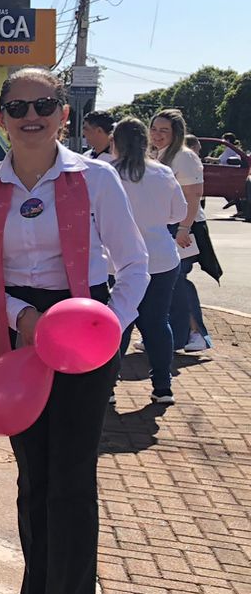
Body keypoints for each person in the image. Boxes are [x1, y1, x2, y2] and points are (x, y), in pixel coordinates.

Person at [0, 70, 148, 594]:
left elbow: (135, 264)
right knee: (32, 477)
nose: (30, 115)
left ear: (64, 113)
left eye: (44, 104)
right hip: (18, 334)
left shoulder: (96, 178)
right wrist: (22, 319)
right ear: (2, 116)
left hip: (85, 332)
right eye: (18, 106)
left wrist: (105, 329)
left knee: (70, 480)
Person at [109, 118, 186, 405]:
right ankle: (163, 386)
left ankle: (107, 387)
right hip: (160, 259)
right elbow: (177, 213)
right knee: (156, 322)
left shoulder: (107, 173)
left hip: (116, 262)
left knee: (117, 325)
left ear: (115, 142)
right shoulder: (163, 172)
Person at [150, 110, 211, 353]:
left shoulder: (184, 157)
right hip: (166, 225)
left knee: (177, 280)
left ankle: (197, 334)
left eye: (164, 130)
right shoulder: (156, 154)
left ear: (176, 133)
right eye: (154, 129)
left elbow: (194, 195)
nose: (157, 135)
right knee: (167, 282)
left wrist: (183, 228)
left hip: (186, 226)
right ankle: (170, 335)